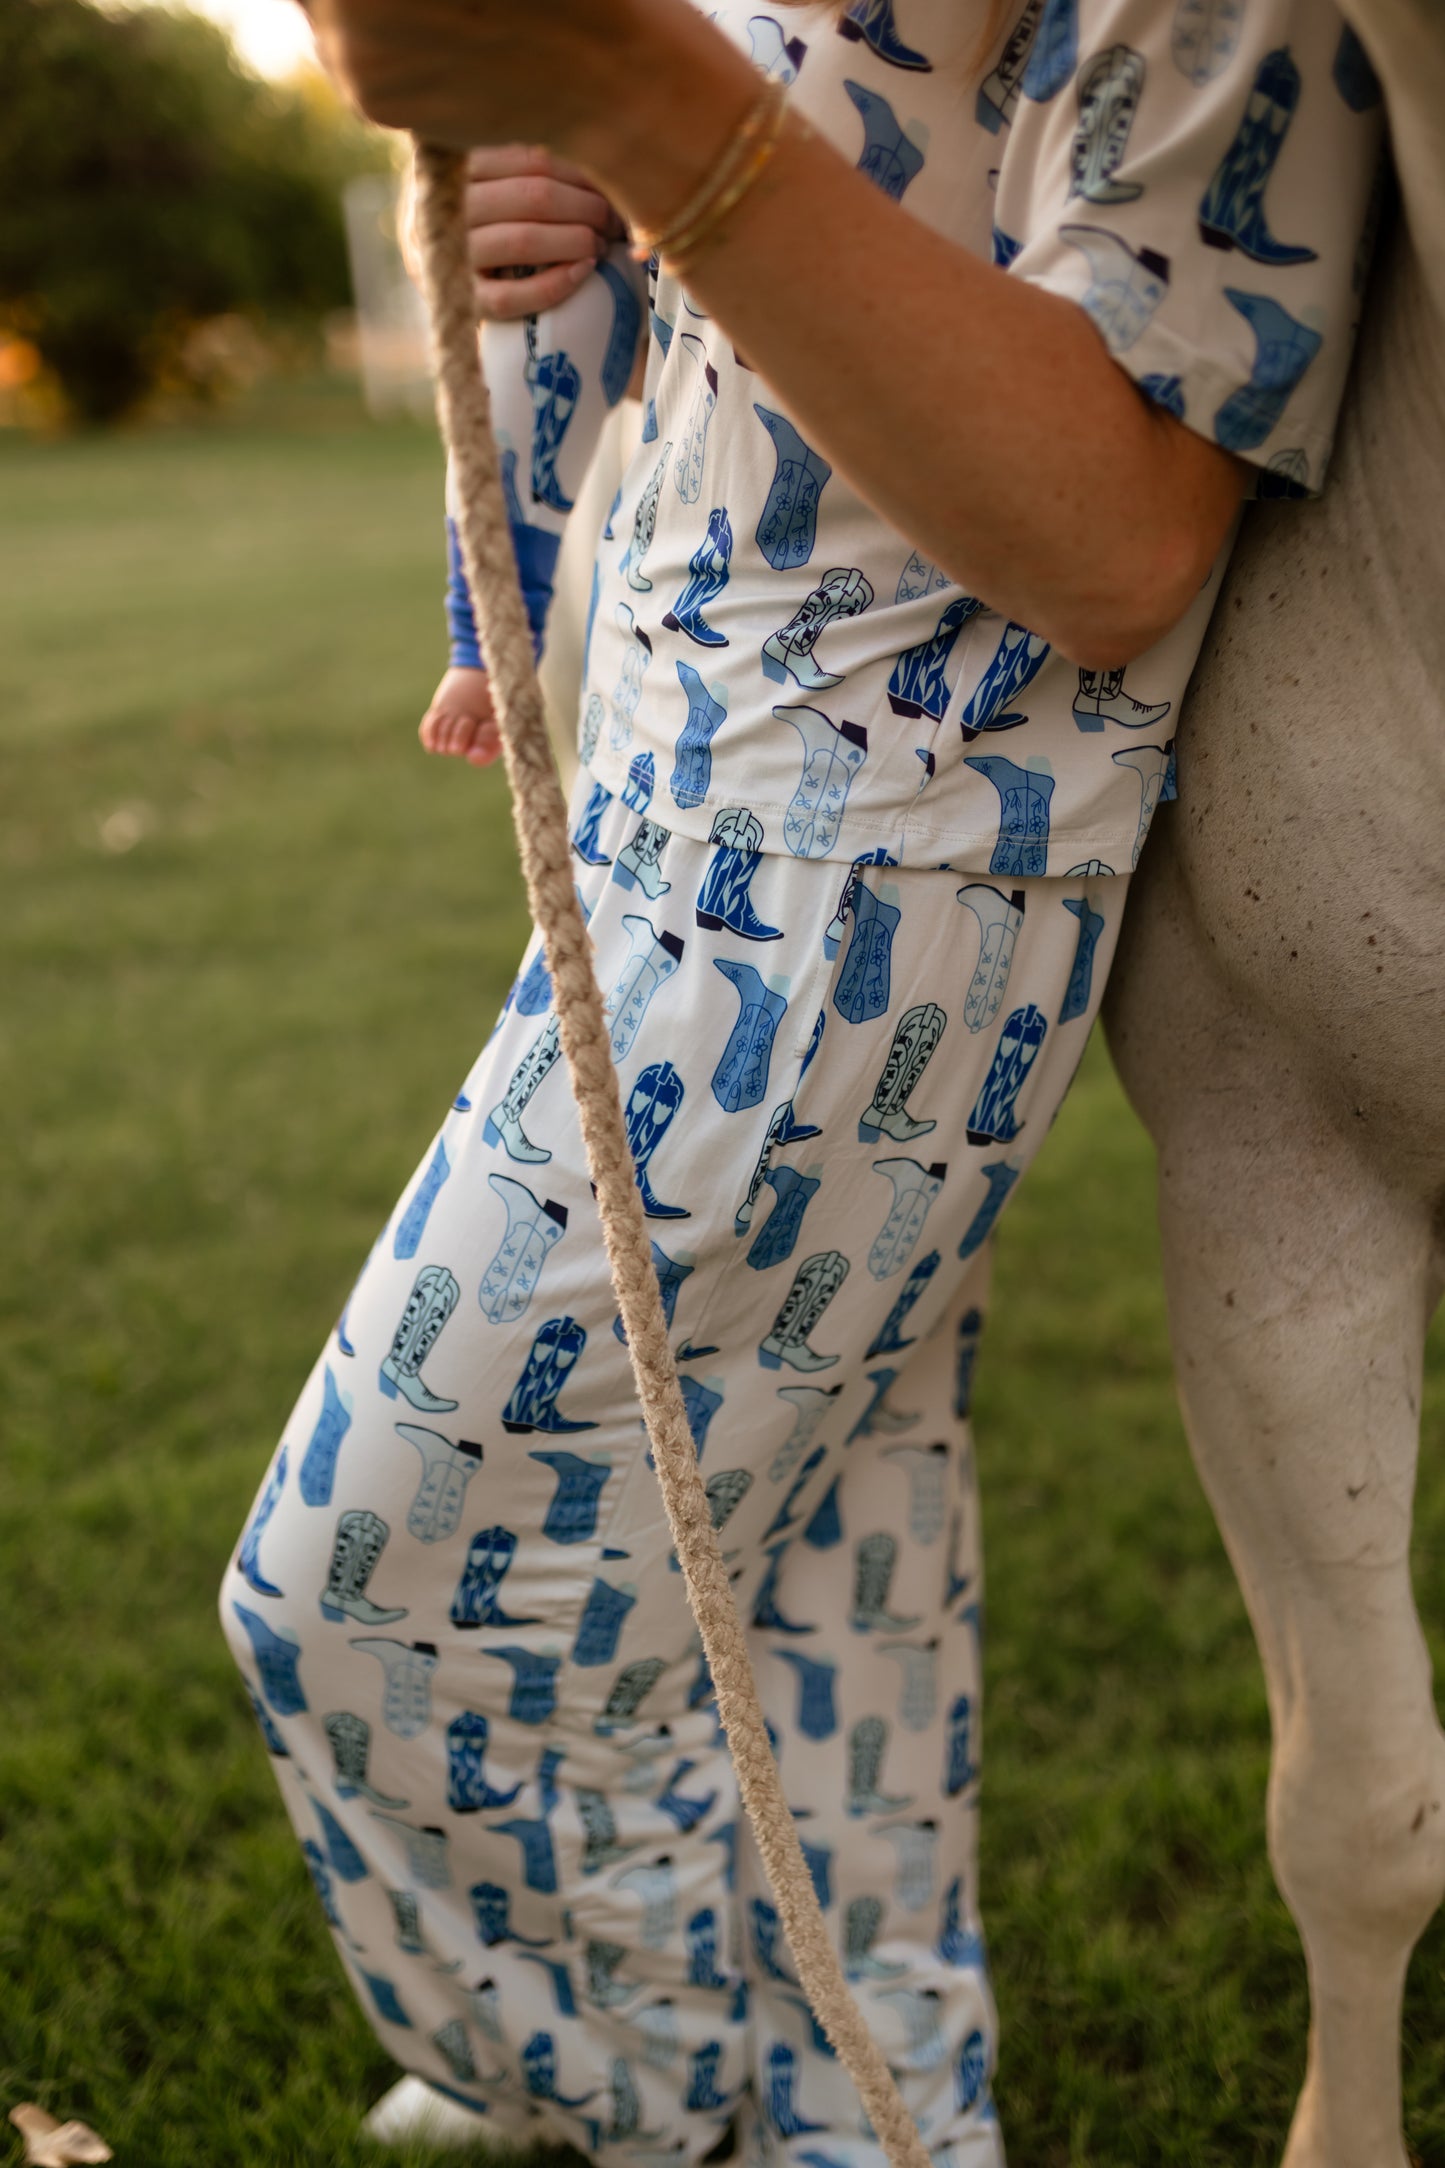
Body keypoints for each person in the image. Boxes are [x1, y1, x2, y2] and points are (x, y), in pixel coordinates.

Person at [221, 3, 1383, 2161]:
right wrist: (599, 182)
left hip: (868, 891)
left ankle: (662, 2101)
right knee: (802, 1598)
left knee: (375, 1612)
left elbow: (1120, 533)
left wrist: (654, 107)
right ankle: (885, 2119)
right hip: (680, 794)